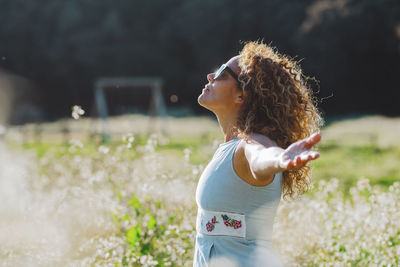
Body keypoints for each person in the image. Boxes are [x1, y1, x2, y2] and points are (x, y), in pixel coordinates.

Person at [193, 41, 323, 267]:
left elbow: (261, 156)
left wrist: (279, 158)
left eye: (223, 72)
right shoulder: (228, 148)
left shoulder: (249, 145)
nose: (211, 76)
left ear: (241, 96)